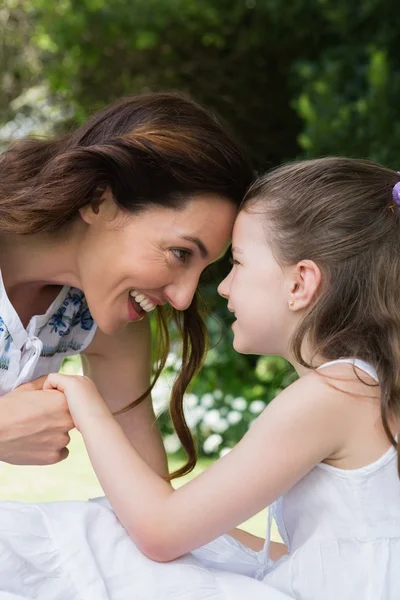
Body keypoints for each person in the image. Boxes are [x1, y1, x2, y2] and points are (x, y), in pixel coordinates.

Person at [2, 156, 400, 600]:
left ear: (299, 283)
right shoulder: (368, 391)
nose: (221, 288)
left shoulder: (332, 396)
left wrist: (85, 403)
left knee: (80, 536)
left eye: (239, 264)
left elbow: (161, 529)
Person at [0, 91, 253, 481]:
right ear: (101, 199)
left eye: (203, 270)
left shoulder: (102, 310)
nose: (183, 299)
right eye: (181, 253)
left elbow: (147, 496)